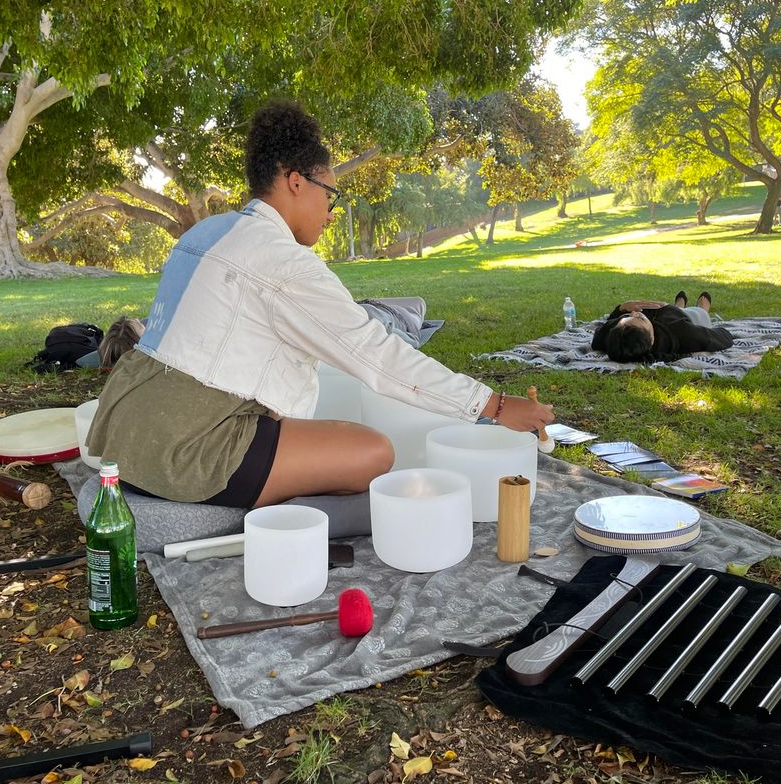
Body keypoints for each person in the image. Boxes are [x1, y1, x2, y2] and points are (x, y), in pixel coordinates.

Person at [86, 101, 552, 507]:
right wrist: (492, 405)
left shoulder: (206, 232)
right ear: (294, 182)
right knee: (373, 453)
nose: (332, 212)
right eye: (330, 194)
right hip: (188, 447)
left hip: (126, 426)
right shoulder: (283, 262)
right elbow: (377, 356)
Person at [591, 291, 735, 363]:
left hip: (663, 309)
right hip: (686, 318)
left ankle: (678, 304)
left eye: (628, 317)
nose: (634, 313)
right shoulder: (685, 334)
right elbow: (724, 337)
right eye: (640, 318)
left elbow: (609, 323)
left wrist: (621, 309)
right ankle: (701, 307)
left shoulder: (611, 334)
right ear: (652, 339)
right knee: (699, 315)